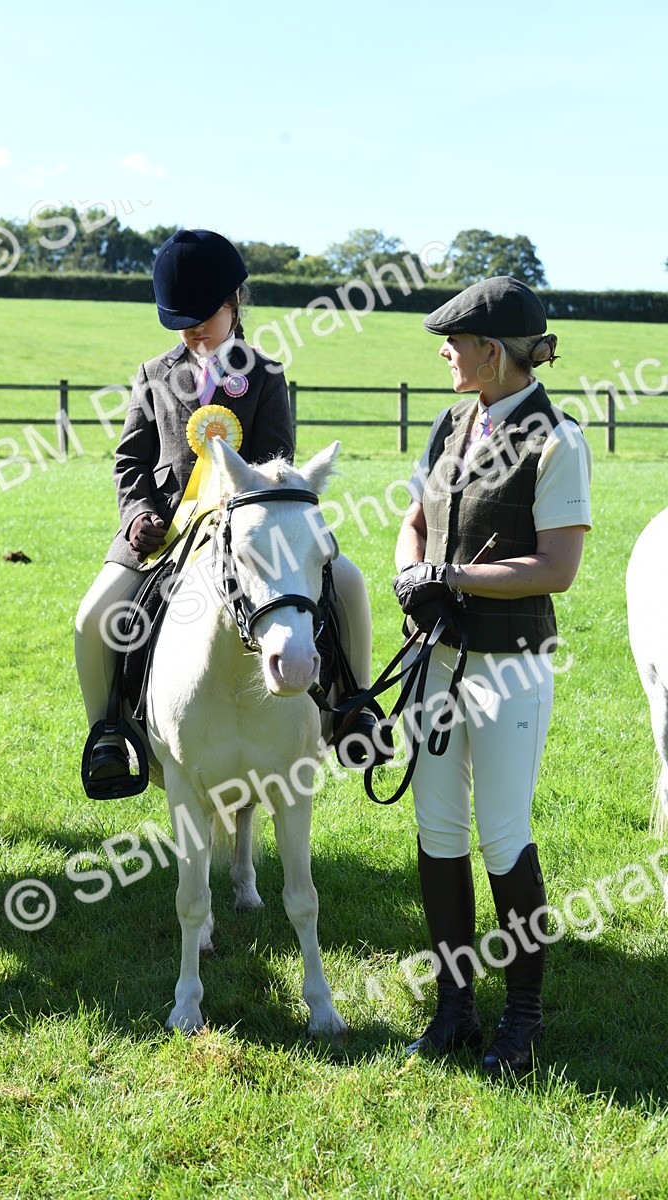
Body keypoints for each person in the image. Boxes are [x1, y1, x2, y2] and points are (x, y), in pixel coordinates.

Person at [75, 228, 384, 791]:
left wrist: (242, 513)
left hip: (250, 531)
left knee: (349, 580)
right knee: (92, 617)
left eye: (203, 318)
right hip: (163, 533)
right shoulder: (153, 375)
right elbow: (129, 461)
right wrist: (139, 514)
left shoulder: (265, 376)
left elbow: (279, 463)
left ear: (233, 303)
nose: (193, 332)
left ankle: (352, 711)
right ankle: (109, 734)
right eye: (182, 323)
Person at [393, 276, 592, 1077]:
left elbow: (560, 567)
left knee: (503, 835)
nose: (446, 352)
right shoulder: (450, 422)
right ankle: (454, 1011)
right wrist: (413, 572)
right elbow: (413, 524)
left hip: (510, 669)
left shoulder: (557, 439)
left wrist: (458, 579)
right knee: (437, 833)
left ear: (494, 352)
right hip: (437, 660)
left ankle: (525, 1019)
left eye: (457, 342)